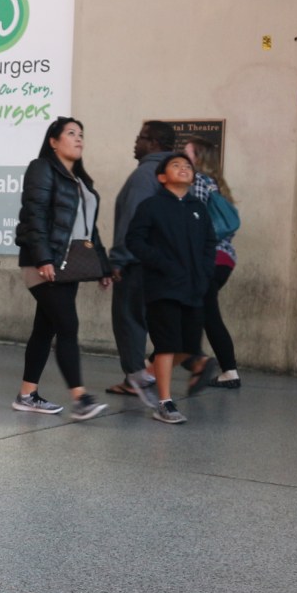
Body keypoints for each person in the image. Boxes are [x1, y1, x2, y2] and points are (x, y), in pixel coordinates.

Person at [13, 116, 112, 420]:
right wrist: (43, 258)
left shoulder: (82, 181)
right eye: (71, 133)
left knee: (46, 328)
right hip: (44, 263)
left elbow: (88, 230)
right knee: (68, 325)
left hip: (68, 264)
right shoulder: (41, 168)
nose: (78, 138)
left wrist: (103, 266)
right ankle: (80, 397)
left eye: (81, 134)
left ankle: (26, 395)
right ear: (54, 141)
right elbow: (35, 215)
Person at [125, 153, 217, 424]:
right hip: (162, 285)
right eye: (176, 165)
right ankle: (164, 403)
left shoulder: (198, 207)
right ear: (162, 177)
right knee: (166, 344)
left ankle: (144, 376)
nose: (183, 168)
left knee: (188, 345)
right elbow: (135, 240)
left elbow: (209, 244)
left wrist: (204, 273)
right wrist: (162, 264)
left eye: (187, 166)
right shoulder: (151, 206)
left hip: (193, 287)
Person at [106, 119, 178, 406]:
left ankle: (135, 375)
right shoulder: (178, 173)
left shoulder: (144, 175)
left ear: (154, 143)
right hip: (166, 264)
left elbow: (131, 222)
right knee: (157, 319)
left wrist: (118, 260)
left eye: (141, 137)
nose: (135, 142)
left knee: (129, 319)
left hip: (137, 263)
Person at [184, 136, 241, 390]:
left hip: (208, 258)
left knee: (205, 314)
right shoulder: (219, 185)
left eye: (187, 155)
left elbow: (194, 220)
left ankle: (202, 362)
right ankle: (223, 369)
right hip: (225, 258)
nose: (182, 161)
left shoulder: (198, 181)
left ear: (198, 158)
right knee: (205, 313)